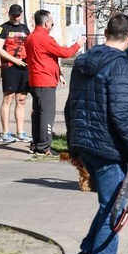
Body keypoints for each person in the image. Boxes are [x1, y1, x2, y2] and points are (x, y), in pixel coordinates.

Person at [65, 13, 128, 254]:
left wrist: (73, 145)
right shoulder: (121, 66)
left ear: (105, 33)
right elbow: (122, 113)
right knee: (116, 211)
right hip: (107, 146)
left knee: (107, 207)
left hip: (85, 142)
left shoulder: (82, 62)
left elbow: (71, 106)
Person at [24, 10, 85, 155]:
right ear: (46, 23)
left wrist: (59, 74)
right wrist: (77, 45)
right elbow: (64, 53)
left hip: (35, 80)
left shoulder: (31, 37)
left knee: (37, 113)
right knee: (47, 114)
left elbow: (47, 58)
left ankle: (37, 142)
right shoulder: (44, 39)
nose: (52, 24)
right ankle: (44, 147)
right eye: (52, 21)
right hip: (45, 81)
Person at [0, 3, 32, 144]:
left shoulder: (25, 28)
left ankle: (20, 132)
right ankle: (5, 133)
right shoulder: (2, 29)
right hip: (10, 67)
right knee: (8, 99)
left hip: (24, 66)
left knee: (21, 100)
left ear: (21, 14)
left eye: (18, 15)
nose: (16, 18)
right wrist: (15, 61)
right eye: (13, 15)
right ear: (9, 14)